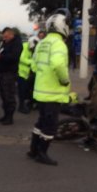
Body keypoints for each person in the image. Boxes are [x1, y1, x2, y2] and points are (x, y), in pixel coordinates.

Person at [28, 10, 71, 166]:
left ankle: (33, 150)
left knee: (41, 122)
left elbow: (33, 65)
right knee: (50, 125)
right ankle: (42, 153)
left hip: (40, 92)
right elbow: (58, 64)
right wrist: (65, 80)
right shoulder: (59, 44)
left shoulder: (42, 43)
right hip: (53, 93)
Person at [0, 27, 23, 125]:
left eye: (6, 36)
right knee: (3, 95)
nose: (4, 38)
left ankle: (10, 118)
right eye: (3, 37)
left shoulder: (16, 44)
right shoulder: (5, 43)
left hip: (9, 73)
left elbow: (13, 57)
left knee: (9, 95)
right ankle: (5, 115)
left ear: (11, 35)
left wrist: (1, 56)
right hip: (1, 72)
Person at [17, 36, 39, 114]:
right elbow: (22, 59)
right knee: (22, 91)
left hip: (31, 73)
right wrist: (32, 62)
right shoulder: (24, 47)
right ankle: (21, 106)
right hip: (22, 73)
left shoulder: (36, 48)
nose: (33, 49)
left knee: (32, 89)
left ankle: (30, 104)